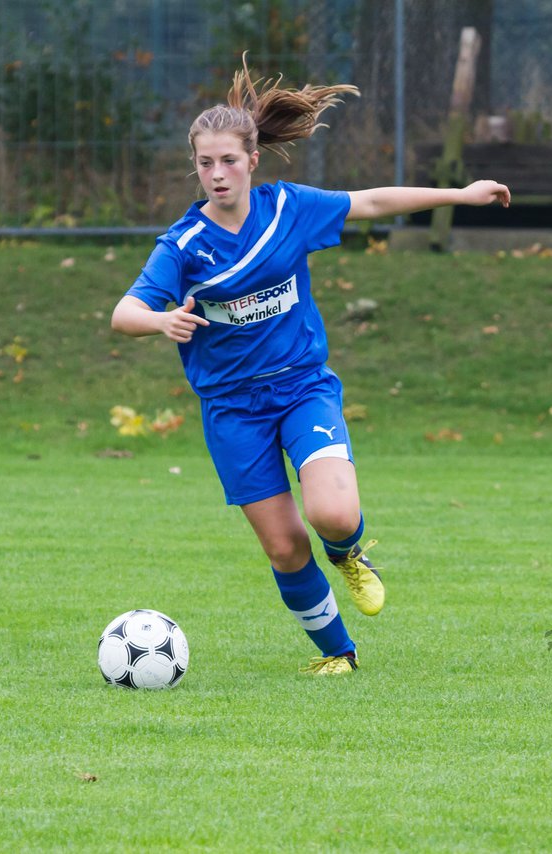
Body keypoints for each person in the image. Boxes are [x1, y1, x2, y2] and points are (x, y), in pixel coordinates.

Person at [112, 59, 509, 675]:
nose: (217, 174)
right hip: (232, 410)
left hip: (302, 390)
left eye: (229, 161)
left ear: (253, 161)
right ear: (194, 165)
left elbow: (373, 200)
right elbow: (124, 311)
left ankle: (350, 554)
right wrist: (160, 321)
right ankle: (338, 656)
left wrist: (458, 194)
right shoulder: (184, 245)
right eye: (205, 163)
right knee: (284, 545)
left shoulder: (289, 210)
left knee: (331, 516)